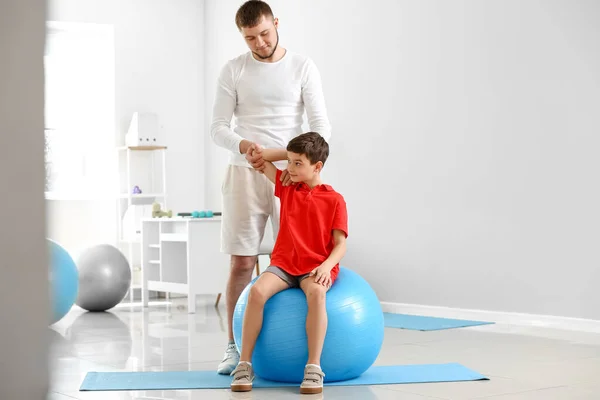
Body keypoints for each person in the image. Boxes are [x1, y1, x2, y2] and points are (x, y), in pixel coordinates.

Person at [210, 0, 331, 375]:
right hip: (244, 173)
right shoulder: (233, 69)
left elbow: (321, 128)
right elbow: (218, 128)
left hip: (292, 176)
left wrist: (279, 156)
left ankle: (298, 350)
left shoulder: (302, 66)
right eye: (250, 38)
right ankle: (232, 347)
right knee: (243, 262)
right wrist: (245, 147)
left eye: (264, 33)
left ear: (276, 24)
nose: (260, 43)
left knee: (298, 262)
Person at [229, 132, 348, 395]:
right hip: (285, 264)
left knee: (316, 293)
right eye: (289, 162)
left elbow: (340, 245)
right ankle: (244, 363)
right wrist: (292, 154)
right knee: (257, 292)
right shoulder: (288, 187)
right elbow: (260, 158)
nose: (290, 168)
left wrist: (327, 267)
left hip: (315, 266)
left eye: (298, 164)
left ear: (317, 167)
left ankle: (314, 368)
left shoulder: (334, 199)